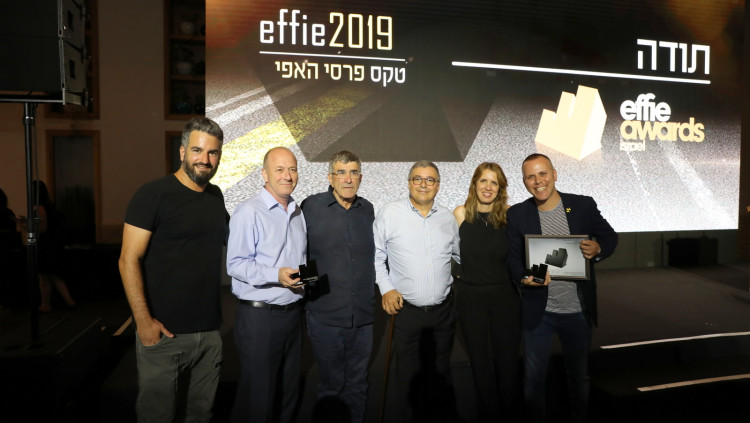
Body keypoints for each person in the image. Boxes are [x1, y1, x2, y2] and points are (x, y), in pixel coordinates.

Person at [118, 117, 227, 423]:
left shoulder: (216, 196)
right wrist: (143, 322)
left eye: (213, 152)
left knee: (201, 415)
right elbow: (128, 260)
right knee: (157, 417)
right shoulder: (153, 194)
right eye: (197, 150)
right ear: (182, 152)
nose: (205, 159)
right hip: (164, 334)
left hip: (209, 334)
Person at [506, 153, 618, 423]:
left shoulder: (582, 205)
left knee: (578, 378)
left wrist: (598, 249)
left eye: (542, 173)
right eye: (530, 177)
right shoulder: (517, 214)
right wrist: (524, 277)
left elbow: (609, 236)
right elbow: (513, 259)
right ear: (524, 181)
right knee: (533, 380)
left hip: (577, 310)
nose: (538, 181)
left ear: (554, 174)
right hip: (539, 311)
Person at [373, 160, 460, 421]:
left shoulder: (447, 218)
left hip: (443, 313)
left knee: (441, 376)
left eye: (430, 179)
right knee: (409, 381)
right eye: (417, 178)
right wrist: (387, 289)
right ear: (409, 183)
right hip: (406, 313)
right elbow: (376, 257)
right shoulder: (390, 213)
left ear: (438, 185)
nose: (424, 184)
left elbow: (460, 257)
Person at [226, 146, 306, 423]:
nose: (287, 176)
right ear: (264, 174)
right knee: (259, 401)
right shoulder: (249, 211)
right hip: (260, 319)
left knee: (288, 395)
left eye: (292, 169)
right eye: (279, 169)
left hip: (293, 316)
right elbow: (235, 264)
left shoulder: (297, 211)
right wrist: (276, 275)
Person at [300, 150, 375, 423]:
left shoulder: (368, 210)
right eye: (341, 172)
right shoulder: (311, 207)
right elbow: (301, 254)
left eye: (353, 172)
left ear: (360, 178)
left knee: (358, 384)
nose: (348, 178)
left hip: (362, 318)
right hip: (325, 317)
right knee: (330, 387)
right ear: (330, 177)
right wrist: (310, 296)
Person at [453, 162, 521, 421]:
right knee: (480, 363)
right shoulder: (460, 214)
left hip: (505, 298)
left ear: (501, 188)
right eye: (484, 180)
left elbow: (528, 250)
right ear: (475, 184)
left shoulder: (510, 215)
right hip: (470, 299)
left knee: (507, 363)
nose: (488, 187)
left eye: (494, 182)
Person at [17, 181, 76, 312]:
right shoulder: (48, 207)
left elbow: (42, 228)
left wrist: (26, 226)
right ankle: (65, 301)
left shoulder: (39, 208)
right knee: (52, 275)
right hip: (52, 244)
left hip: (46, 245)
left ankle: (46, 304)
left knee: (44, 276)